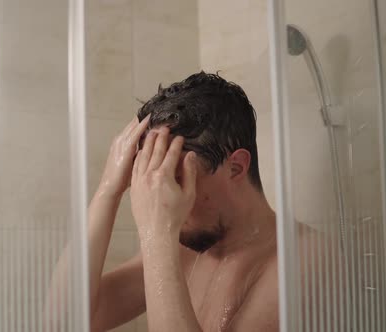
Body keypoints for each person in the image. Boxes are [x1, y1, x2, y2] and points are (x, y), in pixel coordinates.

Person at [88, 72, 279, 332]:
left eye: (175, 178)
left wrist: (156, 234)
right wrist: (108, 189)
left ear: (235, 167)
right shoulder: (186, 250)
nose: (165, 200)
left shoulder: (302, 266)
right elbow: (64, 322)